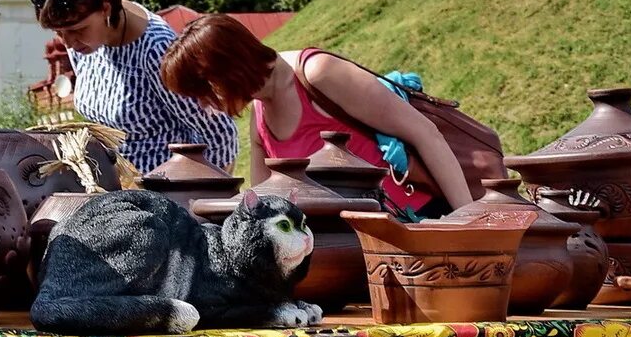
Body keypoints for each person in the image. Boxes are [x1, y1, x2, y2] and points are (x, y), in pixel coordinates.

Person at [160, 14, 475, 213]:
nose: (205, 103)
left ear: (228, 68)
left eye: (204, 90)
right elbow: (266, 210)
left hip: (416, 225)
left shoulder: (318, 73)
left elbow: (425, 134)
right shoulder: (259, 115)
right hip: (346, 255)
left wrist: (470, 223)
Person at [30, 0, 238, 175]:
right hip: (113, 189)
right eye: (59, 33)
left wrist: (203, 198)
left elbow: (220, 135)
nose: (69, 43)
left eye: (77, 30)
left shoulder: (157, 51)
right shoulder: (85, 42)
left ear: (106, 9)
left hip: (164, 194)